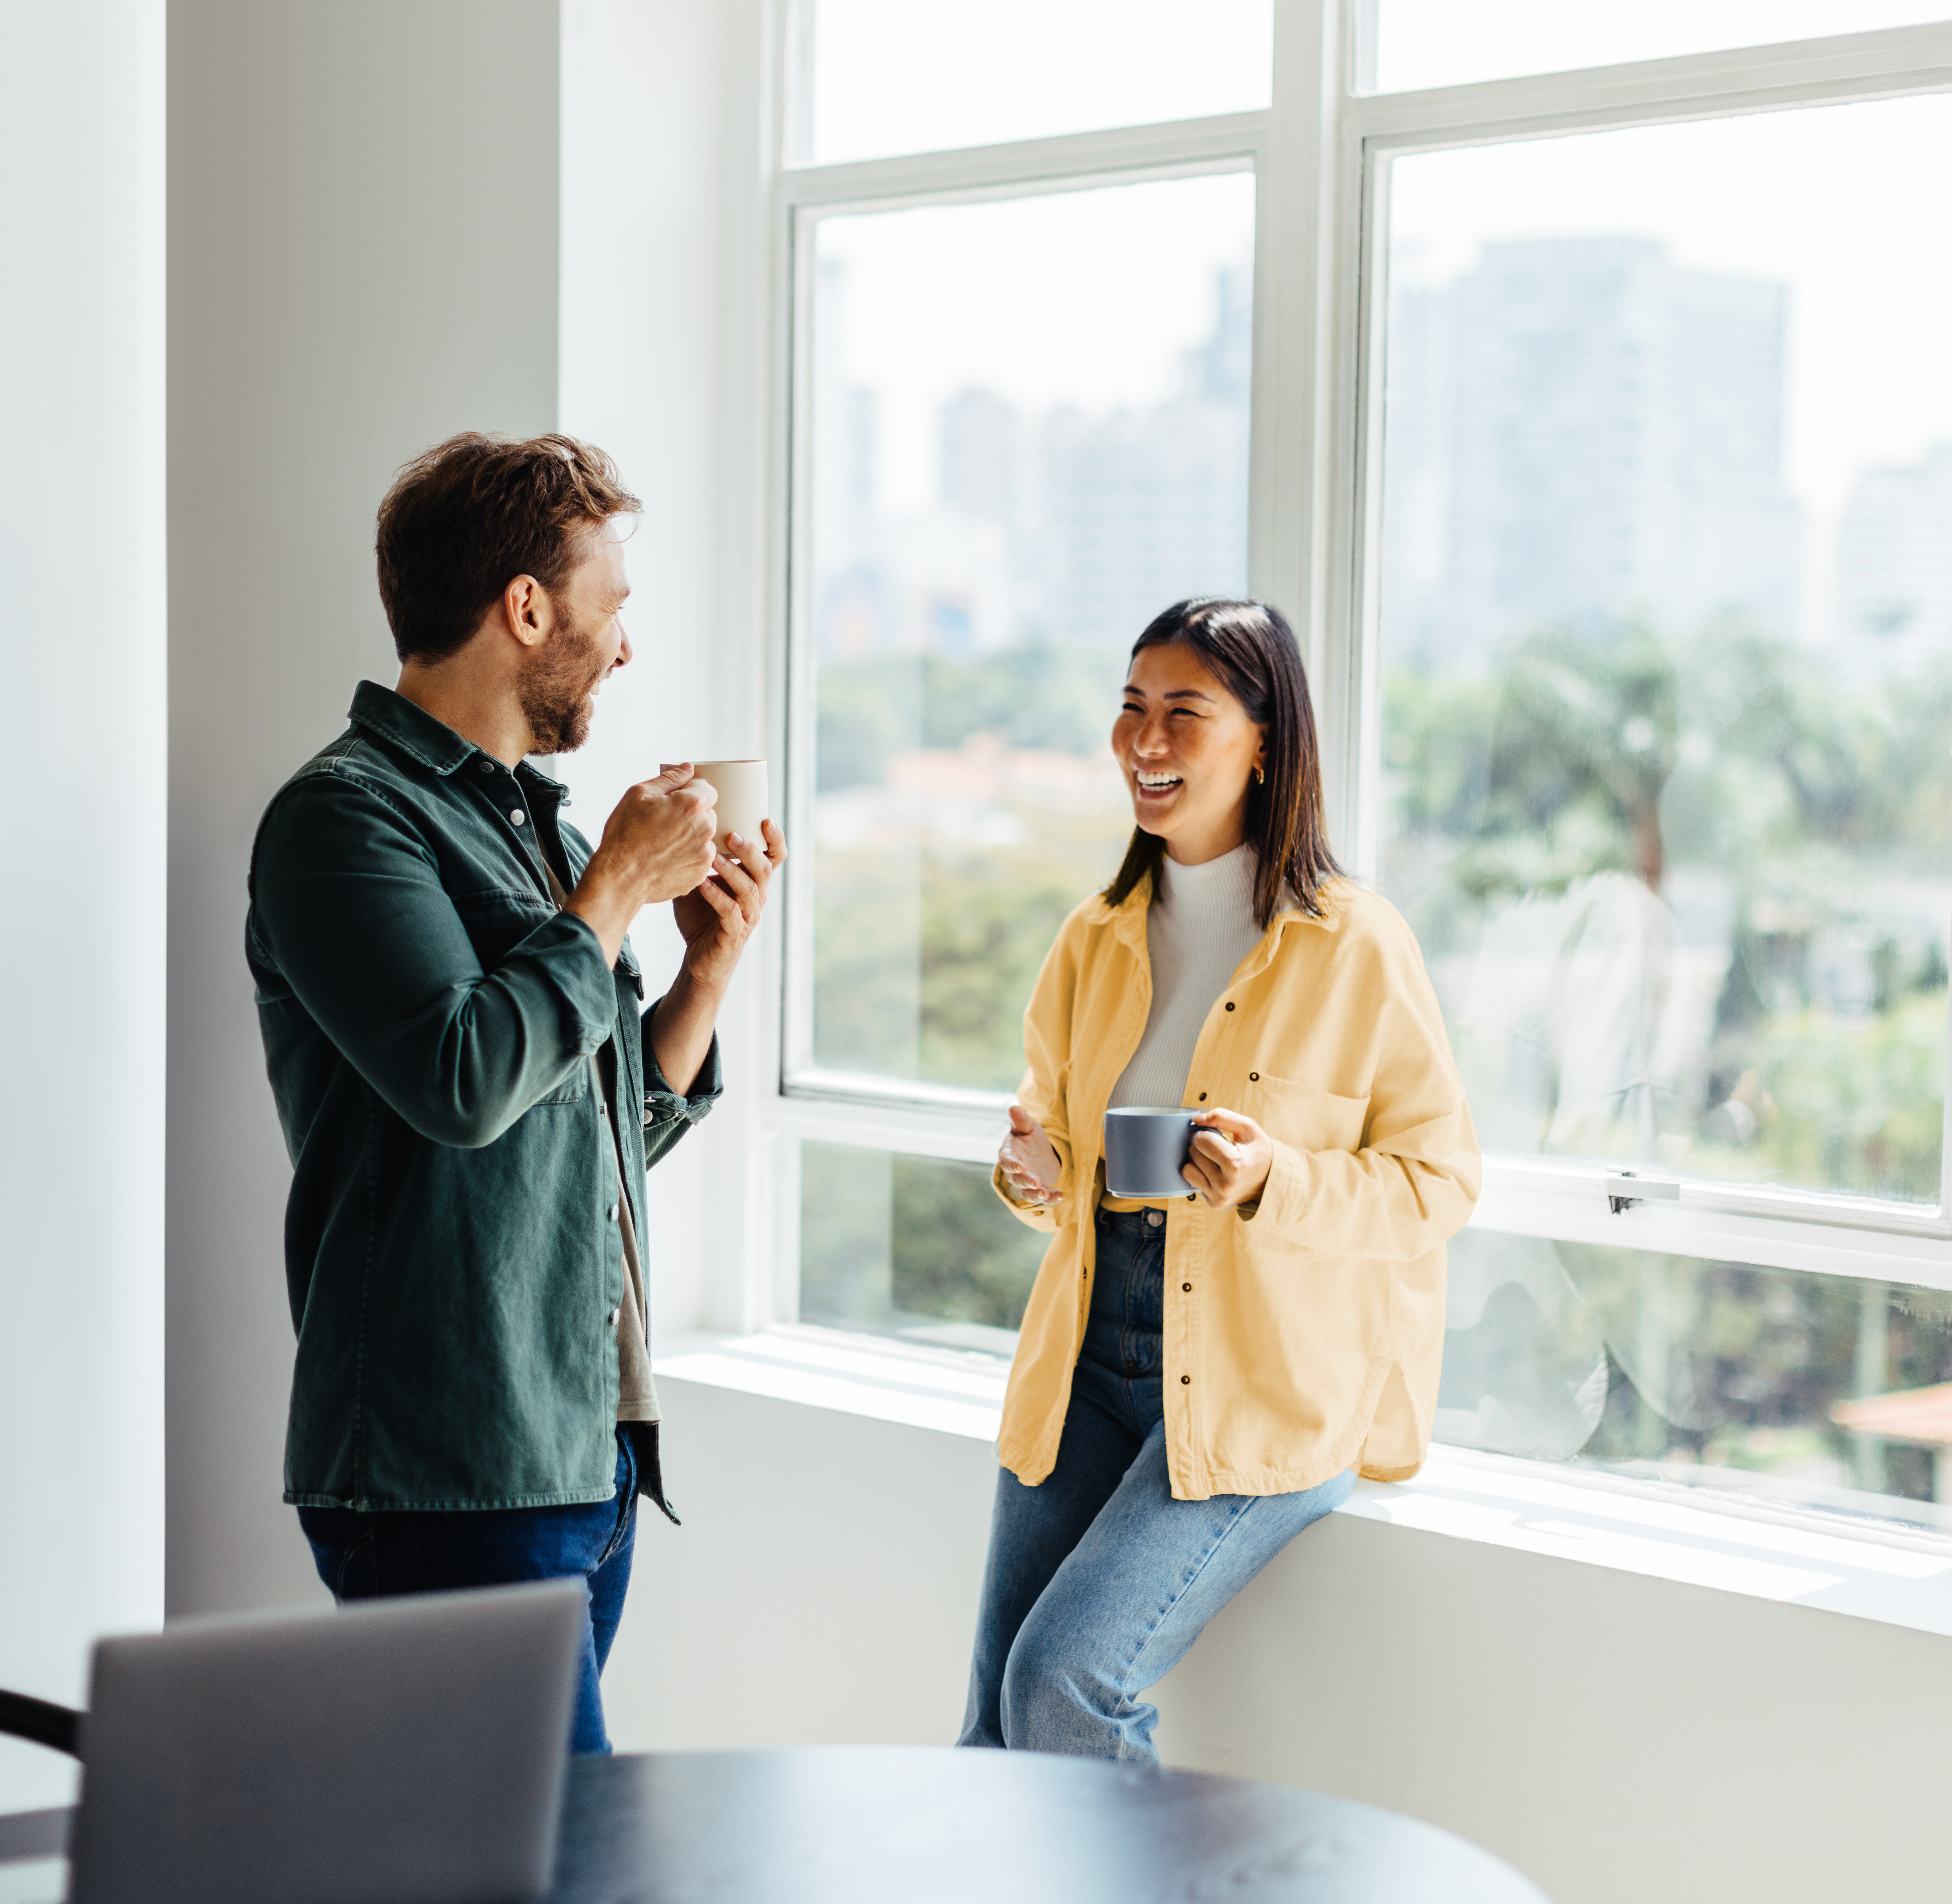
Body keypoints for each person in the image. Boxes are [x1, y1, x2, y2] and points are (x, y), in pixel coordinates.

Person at [245, 432, 785, 1754]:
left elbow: (587, 1138)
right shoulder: (343, 820)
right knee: (538, 1865)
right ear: (526, 606)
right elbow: (463, 1077)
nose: (623, 645)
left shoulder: (529, 819)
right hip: (446, 1462)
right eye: (612, 606)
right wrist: (609, 894)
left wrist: (704, 975)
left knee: (496, 1856)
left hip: (582, 1443)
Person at [959, 597, 1479, 1761]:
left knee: (1060, 1684)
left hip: (1268, 1379)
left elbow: (1439, 1180)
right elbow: (1053, 1149)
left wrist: (1271, 1180)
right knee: (990, 1717)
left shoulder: (1355, 944)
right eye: (1131, 708)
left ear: (1263, 742)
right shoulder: (1093, 936)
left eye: (1183, 713)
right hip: (1089, 1355)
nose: (1144, 740)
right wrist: (1034, 1167)